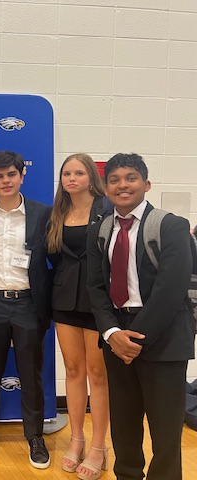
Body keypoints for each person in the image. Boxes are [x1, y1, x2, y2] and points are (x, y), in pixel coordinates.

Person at [86, 153, 195, 480]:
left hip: (163, 339)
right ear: (106, 188)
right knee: (124, 426)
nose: (123, 185)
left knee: (165, 433)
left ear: (146, 184)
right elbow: (95, 288)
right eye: (115, 179)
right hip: (117, 336)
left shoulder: (171, 226)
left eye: (131, 178)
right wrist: (112, 333)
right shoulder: (101, 230)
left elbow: (171, 290)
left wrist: (136, 339)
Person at [0, 151, 53, 469]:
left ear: (22, 176)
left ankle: (34, 437)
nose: (6, 181)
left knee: (30, 376)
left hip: (28, 304)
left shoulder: (41, 214)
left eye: (11, 175)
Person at [45, 154, 110, 478]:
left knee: (98, 374)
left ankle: (99, 446)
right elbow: (53, 258)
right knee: (73, 369)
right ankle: (76, 440)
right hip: (65, 298)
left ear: (90, 178)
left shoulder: (108, 208)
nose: (72, 178)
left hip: (100, 301)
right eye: (67, 173)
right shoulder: (57, 212)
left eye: (79, 173)